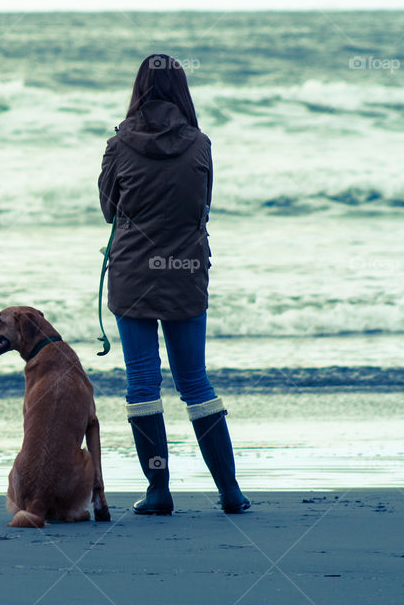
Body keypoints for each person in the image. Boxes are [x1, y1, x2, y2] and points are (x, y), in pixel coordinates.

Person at [98, 53, 250, 516]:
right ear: (182, 90)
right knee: (195, 382)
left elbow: (109, 209)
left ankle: (159, 491)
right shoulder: (200, 144)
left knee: (142, 382)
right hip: (185, 272)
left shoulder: (118, 144)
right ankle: (229, 490)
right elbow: (202, 208)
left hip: (132, 275)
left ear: (138, 89)